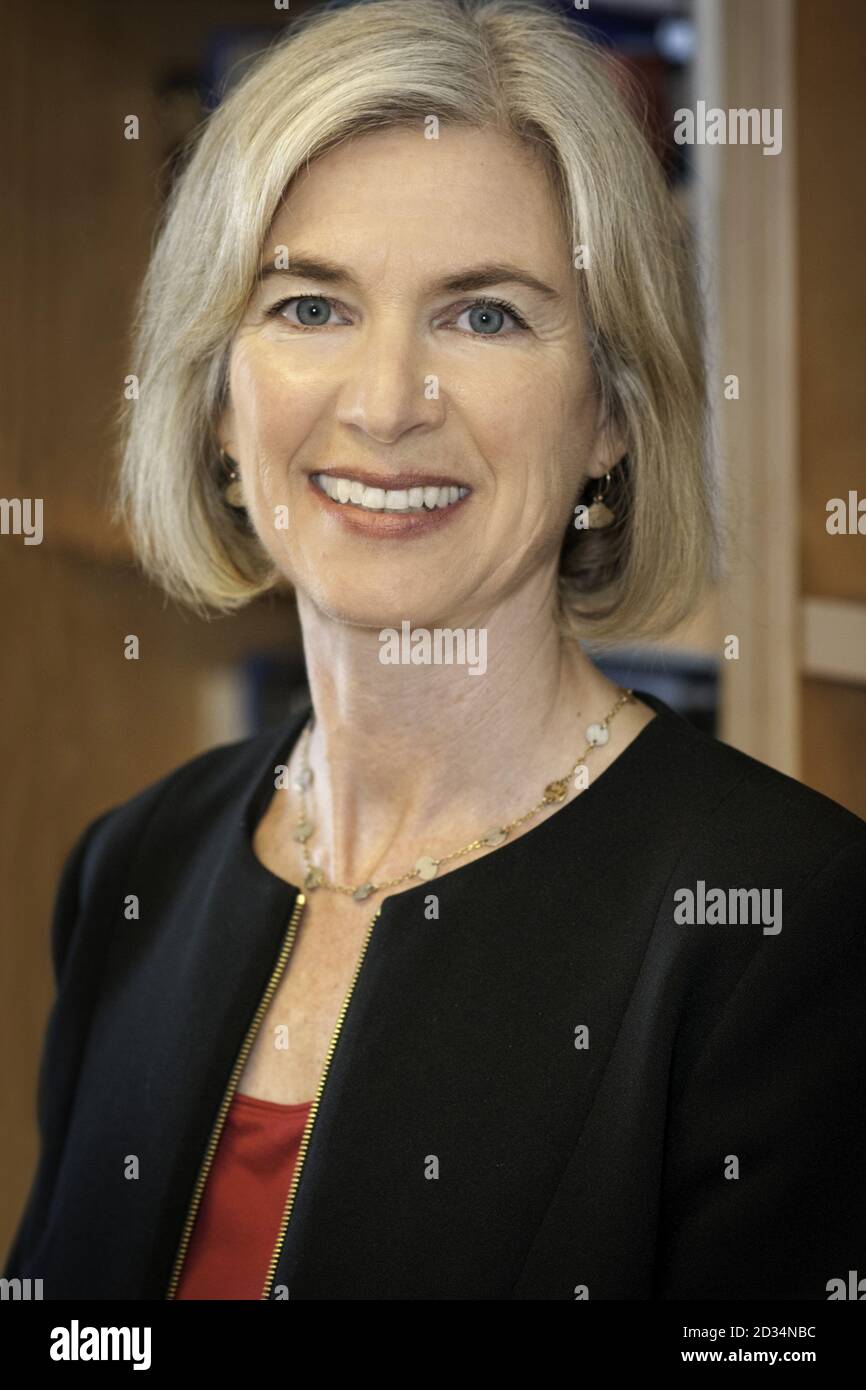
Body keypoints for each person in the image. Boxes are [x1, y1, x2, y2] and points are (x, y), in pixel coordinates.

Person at [5, 0, 865, 1300]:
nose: (384, 402)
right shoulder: (135, 866)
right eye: (308, 305)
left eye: (485, 317)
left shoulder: (783, 924)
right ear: (217, 394)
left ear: (610, 416)